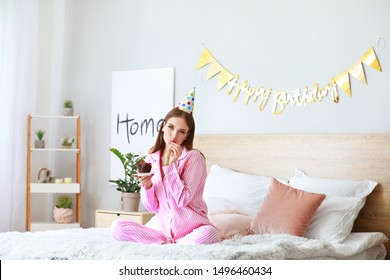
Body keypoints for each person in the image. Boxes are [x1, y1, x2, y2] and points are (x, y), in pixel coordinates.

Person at [111, 90, 219, 245]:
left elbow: (182, 200)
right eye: (170, 127)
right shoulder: (151, 159)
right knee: (117, 227)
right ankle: (169, 244)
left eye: (181, 131)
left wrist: (171, 166)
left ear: (186, 136)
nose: (174, 135)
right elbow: (152, 207)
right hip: (164, 233)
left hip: (194, 231)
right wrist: (147, 185)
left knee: (209, 234)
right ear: (163, 126)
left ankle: (170, 245)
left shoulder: (194, 158)